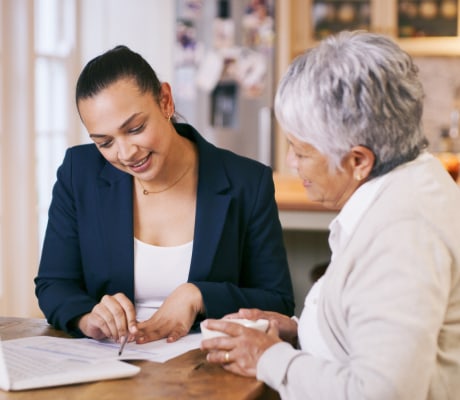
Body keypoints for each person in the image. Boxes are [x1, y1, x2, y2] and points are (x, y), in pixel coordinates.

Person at [201, 30, 460, 399]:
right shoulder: (410, 180)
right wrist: (299, 329)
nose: (291, 164)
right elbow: (368, 325)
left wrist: (269, 357)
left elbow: (381, 393)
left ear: (358, 161)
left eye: (301, 152)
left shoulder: (402, 236)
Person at [34, 45, 294, 345]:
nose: (126, 153)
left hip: (206, 368)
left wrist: (198, 295)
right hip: (110, 365)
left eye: (135, 128)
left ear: (166, 101)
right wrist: (87, 317)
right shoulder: (78, 173)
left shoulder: (247, 182)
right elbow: (54, 283)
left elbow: (279, 302)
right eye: (104, 143)